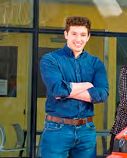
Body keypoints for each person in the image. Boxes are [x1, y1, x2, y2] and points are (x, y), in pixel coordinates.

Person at [39, 16, 109, 157]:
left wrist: (66, 91)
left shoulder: (95, 63)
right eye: (74, 34)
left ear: (88, 37)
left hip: (86, 130)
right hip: (57, 129)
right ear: (66, 34)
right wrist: (88, 85)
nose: (78, 39)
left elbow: (102, 94)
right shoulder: (50, 60)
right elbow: (57, 90)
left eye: (83, 35)